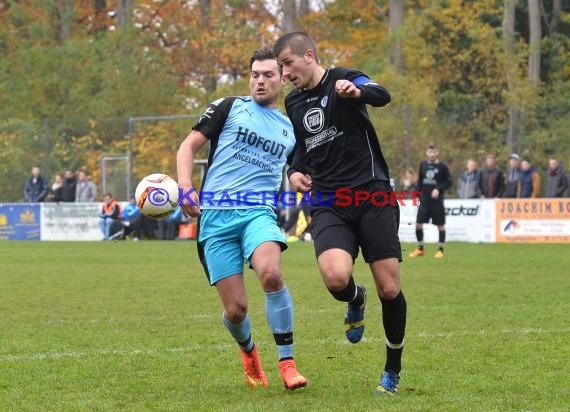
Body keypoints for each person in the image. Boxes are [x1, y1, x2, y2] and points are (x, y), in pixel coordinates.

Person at [274, 32, 406, 395]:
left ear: (309, 56)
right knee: (335, 279)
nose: (285, 74)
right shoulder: (294, 103)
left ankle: (392, 368)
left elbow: (383, 95)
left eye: (287, 65)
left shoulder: (346, 77)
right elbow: (302, 146)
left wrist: (358, 92)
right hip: (329, 200)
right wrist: (294, 170)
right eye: (281, 68)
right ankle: (354, 298)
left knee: (390, 286)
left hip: (371, 193)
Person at [177, 48, 307, 390]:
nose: (260, 81)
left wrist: (296, 176)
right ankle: (249, 351)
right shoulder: (229, 107)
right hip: (216, 218)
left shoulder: (290, 128)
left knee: (271, 272)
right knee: (236, 310)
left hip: (258, 212)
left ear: (281, 80)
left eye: (267, 75)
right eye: (254, 75)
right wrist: (186, 187)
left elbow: (297, 165)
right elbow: (187, 147)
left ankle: (288, 364)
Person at [409, 144, 452, 258]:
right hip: (424, 201)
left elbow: (448, 182)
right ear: (427, 153)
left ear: (437, 153)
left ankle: (441, 250)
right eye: (430, 152)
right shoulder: (423, 165)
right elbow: (420, 182)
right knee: (418, 225)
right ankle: (420, 249)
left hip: (437, 202)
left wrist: (438, 188)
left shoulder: (442, 166)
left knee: (440, 226)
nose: (432, 154)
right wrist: (417, 194)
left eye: (434, 152)